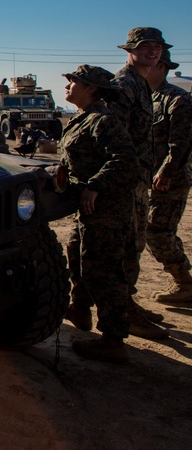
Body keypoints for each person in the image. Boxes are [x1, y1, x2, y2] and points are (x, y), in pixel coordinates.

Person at [56, 65, 137, 363]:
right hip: (87, 208)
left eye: (73, 81)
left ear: (91, 88)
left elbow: (126, 159)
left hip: (106, 208)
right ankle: (80, 309)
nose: (67, 85)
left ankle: (114, 340)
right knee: (76, 253)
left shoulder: (103, 121)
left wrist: (96, 186)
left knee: (103, 270)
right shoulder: (83, 119)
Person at [112, 27, 170, 339]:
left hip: (138, 178)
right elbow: (115, 136)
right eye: (145, 46)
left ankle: (128, 305)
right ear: (130, 50)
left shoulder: (141, 83)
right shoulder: (125, 84)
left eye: (157, 47)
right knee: (126, 246)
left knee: (135, 244)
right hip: (126, 179)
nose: (152, 51)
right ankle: (122, 312)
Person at [145, 49, 192, 303]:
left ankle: (184, 283)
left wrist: (167, 171)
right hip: (150, 178)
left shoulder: (177, 98)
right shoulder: (146, 98)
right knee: (159, 230)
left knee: (157, 231)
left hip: (170, 179)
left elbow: (182, 142)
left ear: (161, 66)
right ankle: (184, 280)